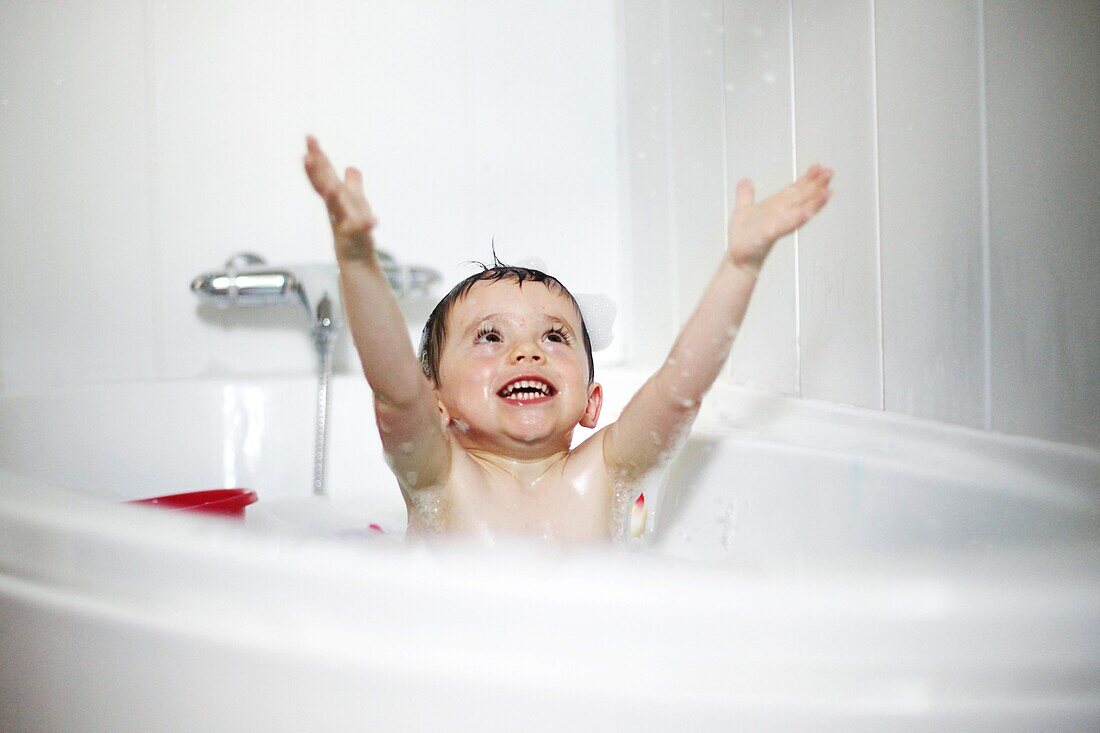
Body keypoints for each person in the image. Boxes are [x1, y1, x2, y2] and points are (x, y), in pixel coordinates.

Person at [303, 136, 831, 544]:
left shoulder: (606, 473)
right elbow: (395, 389)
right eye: (489, 337)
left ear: (592, 401)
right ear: (436, 402)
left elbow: (678, 389)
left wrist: (742, 265)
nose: (526, 352)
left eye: (555, 337)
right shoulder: (439, 479)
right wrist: (356, 260)